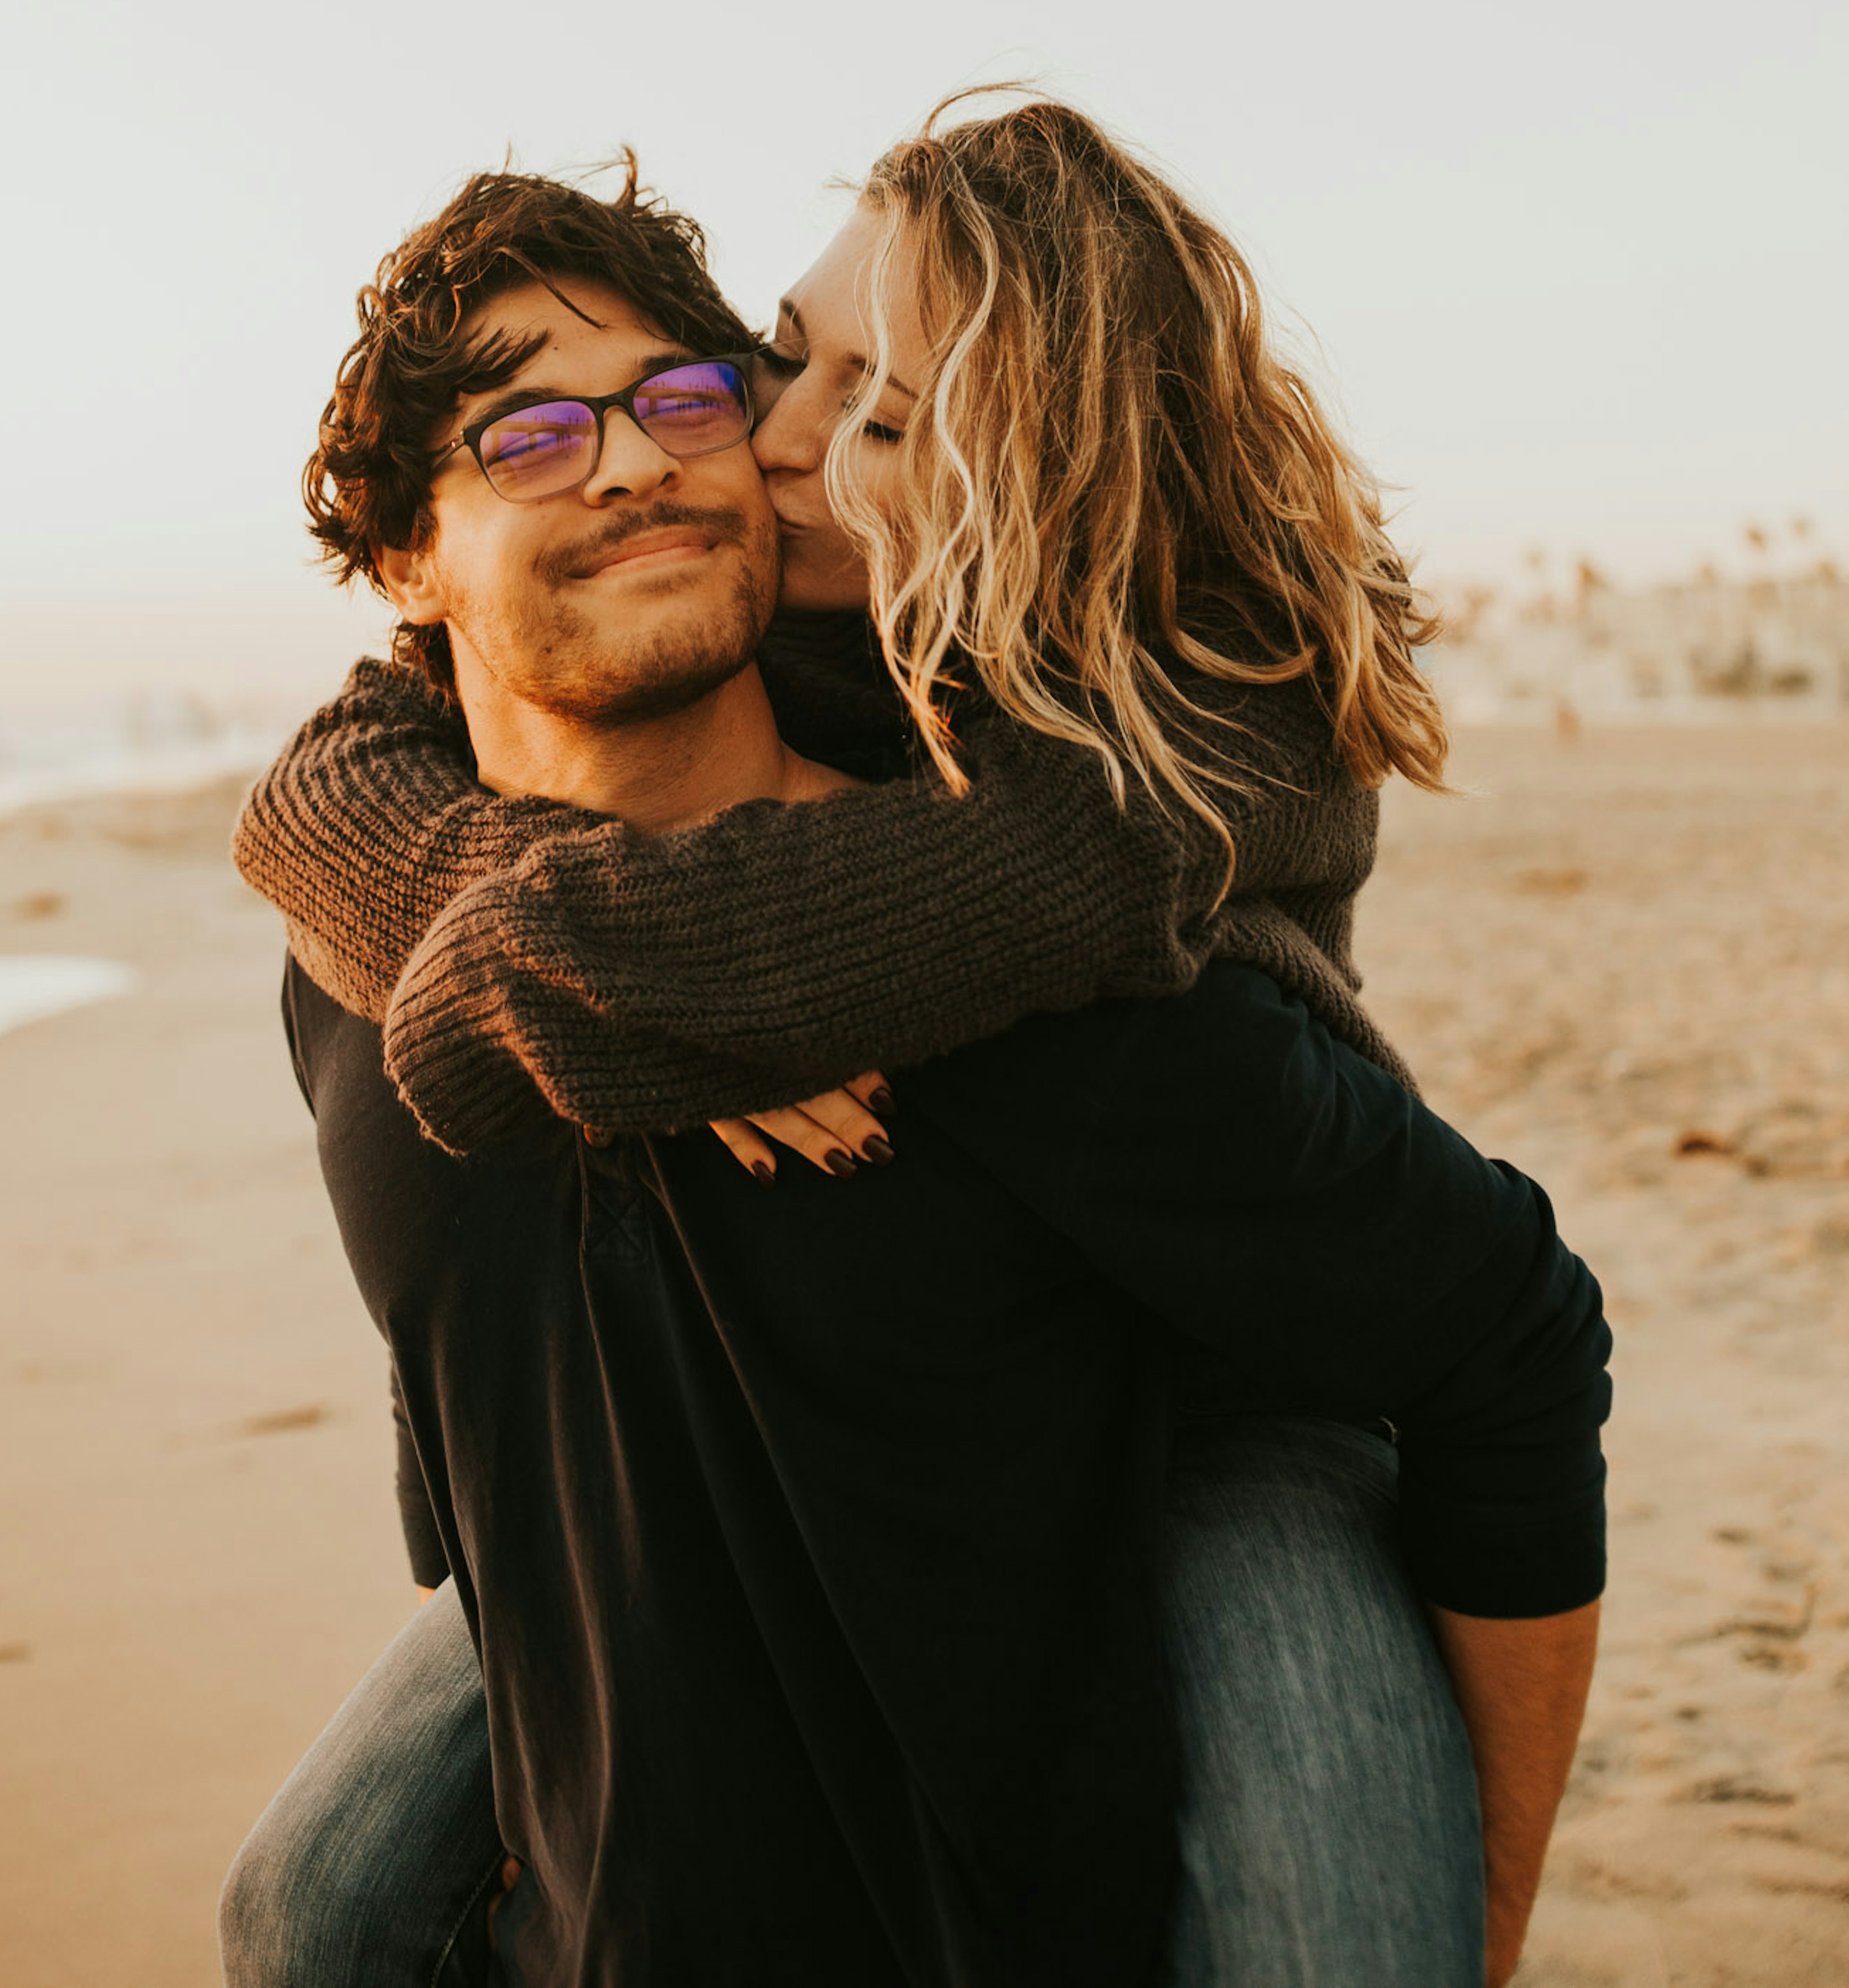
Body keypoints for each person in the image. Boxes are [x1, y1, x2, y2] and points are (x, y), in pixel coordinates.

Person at [223, 114, 1609, 1986]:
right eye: (775, 367)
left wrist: (765, 963)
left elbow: (1496, 1326)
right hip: (639, 1690)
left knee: (1332, 1936)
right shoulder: (415, 896)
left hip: (1229, 1415)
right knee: (305, 1909)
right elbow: (357, 777)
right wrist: (547, 933)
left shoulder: (1065, 855)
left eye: (700, 403)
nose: (695, 452)